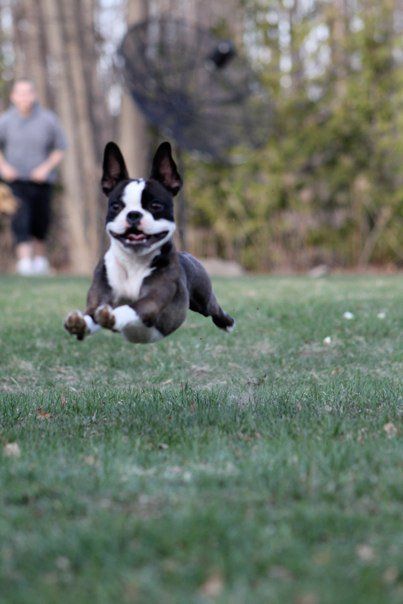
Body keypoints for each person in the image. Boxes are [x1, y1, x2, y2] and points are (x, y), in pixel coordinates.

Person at [0, 78, 67, 275]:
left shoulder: (48, 119)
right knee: (20, 220)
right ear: (13, 97)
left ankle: (39, 261)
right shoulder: (5, 121)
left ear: (34, 95)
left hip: (41, 181)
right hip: (15, 181)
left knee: (41, 221)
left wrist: (45, 168)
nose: (24, 97)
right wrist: (4, 167)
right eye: (20, 93)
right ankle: (24, 263)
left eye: (28, 92)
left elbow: (60, 148)